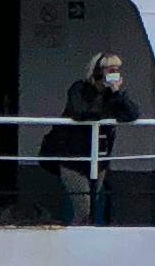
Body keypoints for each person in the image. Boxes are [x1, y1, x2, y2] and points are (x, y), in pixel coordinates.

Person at [48, 49, 141, 223]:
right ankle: (74, 241)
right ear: (98, 71)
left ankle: (83, 241)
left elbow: (132, 114)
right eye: (109, 69)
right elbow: (79, 111)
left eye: (117, 69)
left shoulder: (113, 96)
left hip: (99, 160)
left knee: (91, 207)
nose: (114, 73)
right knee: (83, 208)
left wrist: (117, 93)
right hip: (72, 159)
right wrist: (103, 116)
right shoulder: (79, 88)